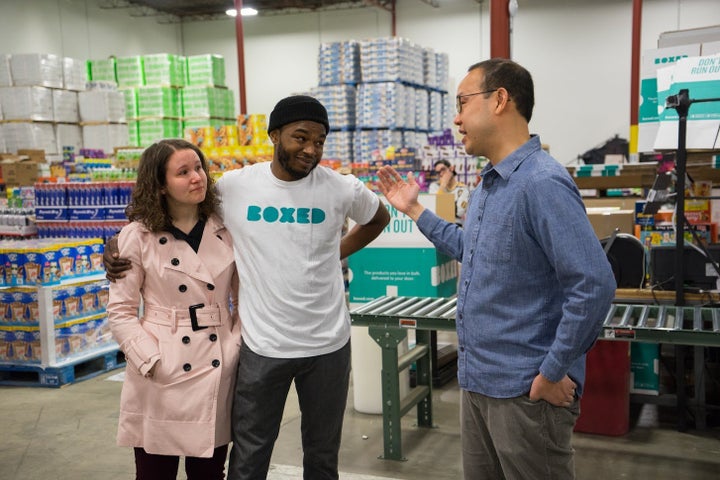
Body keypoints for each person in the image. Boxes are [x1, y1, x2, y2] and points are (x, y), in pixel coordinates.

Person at [105, 95, 391, 480]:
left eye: (320, 141)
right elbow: (174, 215)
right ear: (275, 135)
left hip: (328, 345)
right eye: (300, 137)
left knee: (323, 457)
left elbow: (378, 218)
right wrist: (118, 243)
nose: (311, 149)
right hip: (262, 346)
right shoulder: (234, 188)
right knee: (249, 456)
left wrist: (335, 252)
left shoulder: (342, 188)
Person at [376, 59, 616, 480]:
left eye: (463, 102)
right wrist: (415, 209)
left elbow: (593, 284)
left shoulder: (541, 182)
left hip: (524, 392)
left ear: (500, 100)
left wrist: (551, 371)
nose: (456, 117)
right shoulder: (493, 182)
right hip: (479, 381)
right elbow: (475, 251)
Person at [107, 139, 241, 480]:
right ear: (160, 185)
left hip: (217, 360)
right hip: (160, 367)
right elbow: (121, 311)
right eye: (183, 172)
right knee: (154, 473)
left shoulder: (227, 229)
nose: (197, 178)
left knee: (209, 474)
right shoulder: (137, 236)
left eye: (198, 168)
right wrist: (149, 358)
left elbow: (245, 299)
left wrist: (235, 345)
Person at [428, 159, 470, 226]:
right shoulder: (434, 186)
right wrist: (443, 186)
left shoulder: (463, 189)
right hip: (438, 224)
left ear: (451, 168)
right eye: (438, 172)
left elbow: (459, 212)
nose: (441, 174)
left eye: (443, 169)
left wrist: (442, 205)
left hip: (455, 225)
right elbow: (433, 208)